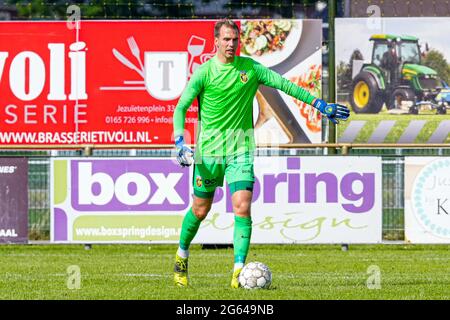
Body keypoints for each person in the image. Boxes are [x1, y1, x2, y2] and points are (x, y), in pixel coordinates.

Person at [172, 19, 350, 288]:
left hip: (241, 150)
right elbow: (181, 107)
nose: (231, 44)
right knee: (200, 210)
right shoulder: (204, 73)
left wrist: (320, 104)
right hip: (208, 154)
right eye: (226, 39)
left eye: (235, 39)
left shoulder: (251, 68)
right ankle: (182, 255)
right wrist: (178, 141)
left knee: (242, 208)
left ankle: (238, 272)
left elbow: (285, 85)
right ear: (216, 42)